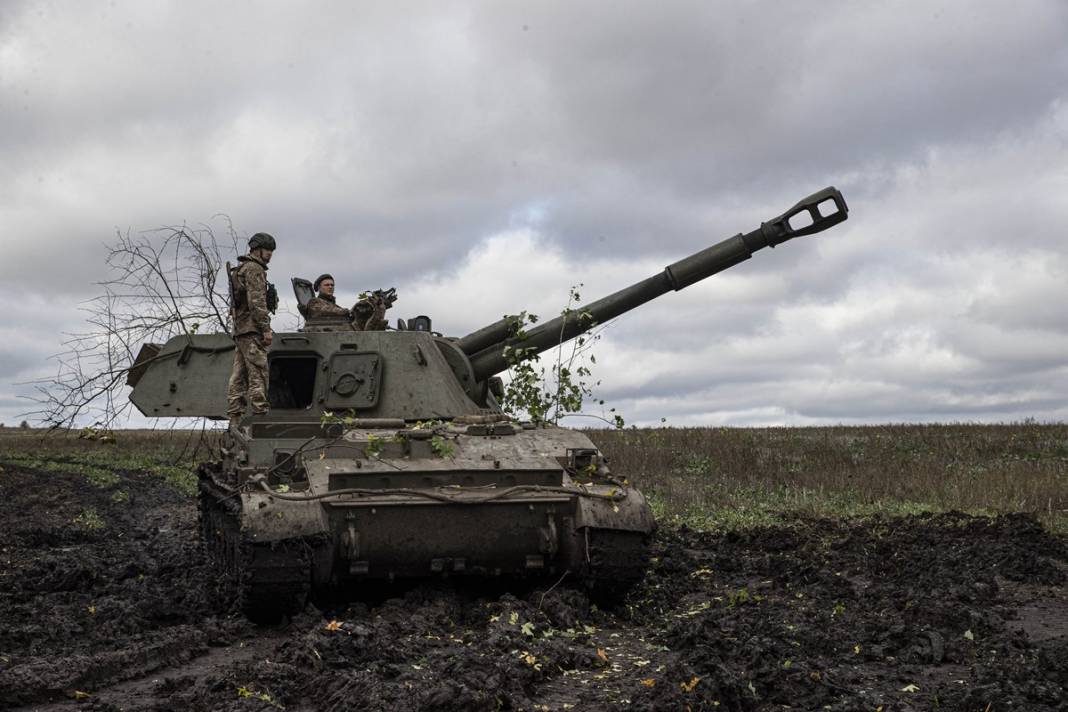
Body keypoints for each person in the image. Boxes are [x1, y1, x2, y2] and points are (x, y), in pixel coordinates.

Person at [227, 232, 276, 429]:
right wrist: (266, 329)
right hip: (252, 329)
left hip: (241, 329)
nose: (270, 255)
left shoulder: (240, 269)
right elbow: (256, 303)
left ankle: (235, 415)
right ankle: (260, 415)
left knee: (238, 374)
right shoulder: (254, 269)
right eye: (268, 250)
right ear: (257, 249)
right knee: (258, 371)